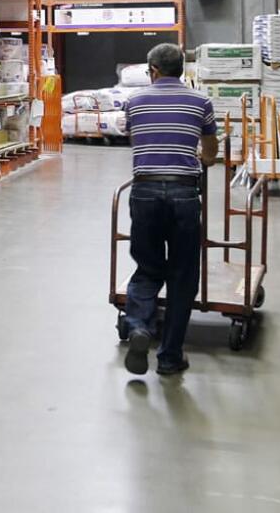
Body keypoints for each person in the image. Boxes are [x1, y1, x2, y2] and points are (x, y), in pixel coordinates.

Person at [121, 43, 219, 376]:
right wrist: (201, 158)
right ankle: (169, 357)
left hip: (145, 190)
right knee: (182, 275)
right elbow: (209, 151)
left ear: (153, 71)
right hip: (183, 192)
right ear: (182, 70)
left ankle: (138, 328)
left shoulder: (134, 102)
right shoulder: (200, 102)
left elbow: (136, 139)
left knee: (147, 268)